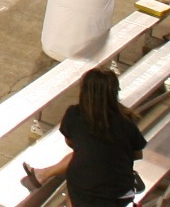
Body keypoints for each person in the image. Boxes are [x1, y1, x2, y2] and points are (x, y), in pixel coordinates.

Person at [21, 68, 146, 204]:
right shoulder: (126, 121)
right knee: (89, 156)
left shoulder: (75, 114)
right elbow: (138, 154)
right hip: (120, 193)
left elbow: (71, 143)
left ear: (84, 91)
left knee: (82, 162)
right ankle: (42, 174)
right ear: (115, 91)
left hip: (85, 190)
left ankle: (43, 174)